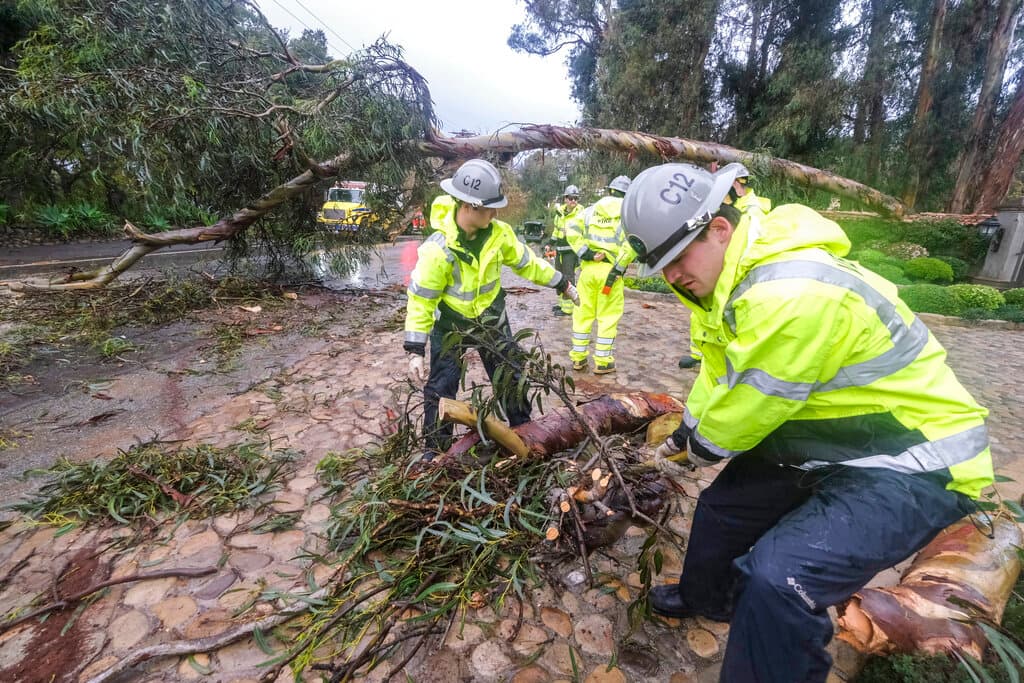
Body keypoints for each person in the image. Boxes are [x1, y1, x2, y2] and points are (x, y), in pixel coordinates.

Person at [620, 162, 994, 682]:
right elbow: (718, 373)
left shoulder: (790, 294)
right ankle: (707, 597)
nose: (672, 276)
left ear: (719, 228)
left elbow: (748, 408)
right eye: (662, 266)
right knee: (722, 508)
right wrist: (687, 428)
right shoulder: (726, 283)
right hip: (833, 436)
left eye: (678, 258)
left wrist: (694, 451)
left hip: (915, 458)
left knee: (780, 578)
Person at [404, 159, 579, 459]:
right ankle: (435, 452)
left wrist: (561, 282)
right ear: (469, 206)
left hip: (491, 319)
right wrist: (415, 349)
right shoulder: (438, 249)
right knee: (441, 386)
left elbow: (528, 263)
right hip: (452, 325)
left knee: (510, 375)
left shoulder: (500, 235)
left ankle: (524, 433)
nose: (495, 213)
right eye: (490, 208)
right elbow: (422, 299)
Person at [679, 162, 771, 371]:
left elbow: (748, 250)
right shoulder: (733, 206)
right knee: (701, 314)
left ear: (737, 185)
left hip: (736, 281)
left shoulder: (752, 211)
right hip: (721, 275)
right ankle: (700, 355)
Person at [566, 175, 635, 374]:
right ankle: (603, 362)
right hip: (610, 273)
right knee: (608, 317)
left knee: (582, 314)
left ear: (610, 190)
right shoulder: (628, 215)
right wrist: (619, 268)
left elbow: (571, 230)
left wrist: (586, 253)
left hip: (588, 271)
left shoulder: (590, 211)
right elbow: (631, 245)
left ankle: (578, 359)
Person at [549, 185, 584, 317]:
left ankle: (568, 309)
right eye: (570, 198)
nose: (573, 201)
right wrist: (550, 243)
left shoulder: (581, 214)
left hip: (571, 251)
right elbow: (556, 230)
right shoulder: (560, 213)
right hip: (560, 250)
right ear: (565, 199)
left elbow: (583, 232)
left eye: (576, 198)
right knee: (559, 277)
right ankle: (561, 304)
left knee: (568, 278)